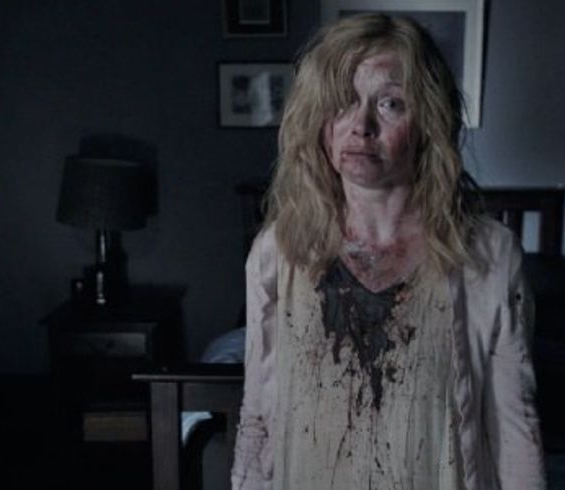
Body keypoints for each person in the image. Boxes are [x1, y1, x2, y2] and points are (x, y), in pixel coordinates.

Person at [231, 13, 546, 490]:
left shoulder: (489, 256)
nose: (362, 126)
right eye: (342, 102)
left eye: (391, 104)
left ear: (427, 122)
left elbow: (514, 426)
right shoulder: (280, 251)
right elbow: (258, 415)